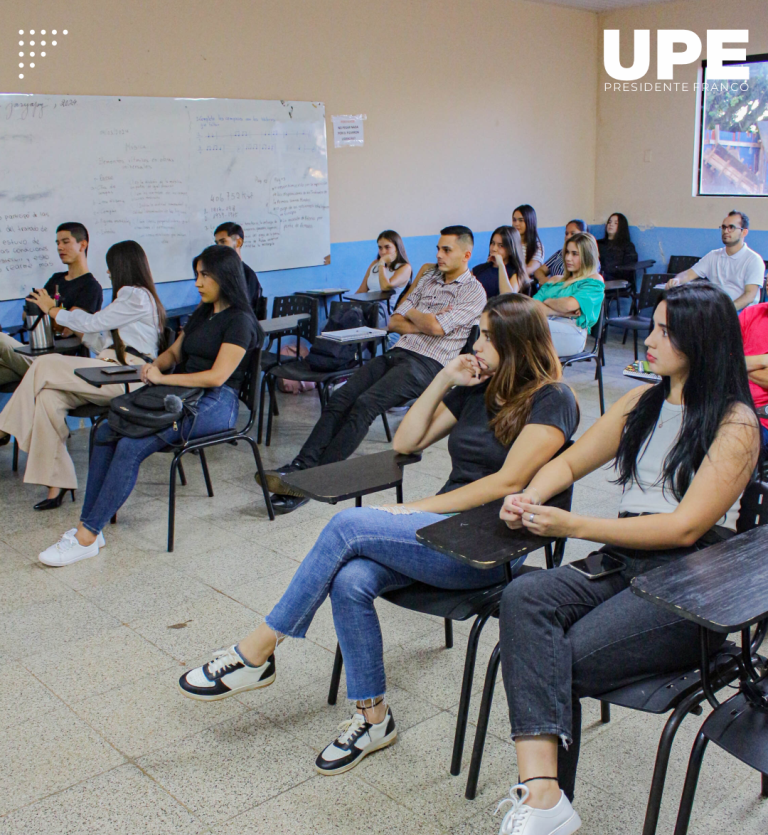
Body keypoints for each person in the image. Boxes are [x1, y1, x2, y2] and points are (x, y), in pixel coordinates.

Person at [179, 294, 579, 776]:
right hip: (441, 532)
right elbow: (405, 442)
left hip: (489, 547)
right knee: (351, 580)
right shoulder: (480, 386)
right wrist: (444, 380)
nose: (477, 343)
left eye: (489, 336)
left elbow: (507, 483)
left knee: (348, 524)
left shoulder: (552, 399)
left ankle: (259, 649)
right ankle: (373, 719)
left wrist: (413, 510)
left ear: (517, 343)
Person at [477, 282, 759, 835]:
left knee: (554, 659)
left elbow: (685, 526)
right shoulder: (643, 402)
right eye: (653, 327)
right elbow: (572, 461)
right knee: (524, 598)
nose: (649, 339)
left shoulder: (737, 424)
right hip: (624, 561)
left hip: (691, 582)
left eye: (663, 331)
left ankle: (544, 816)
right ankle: (545, 801)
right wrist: (535, 492)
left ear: (701, 341)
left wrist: (572, 524)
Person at [38, 245, 262, 566]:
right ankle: (91, 528)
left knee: (131, 445)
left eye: (204, 275)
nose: (197, 282)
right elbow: (173, 354)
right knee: (105, 430)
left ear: (225, 278)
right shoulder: (202, 313)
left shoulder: (240, 321)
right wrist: (151, 368)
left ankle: (86, 534)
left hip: (216, 403)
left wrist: (162, 379)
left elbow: (216, 377)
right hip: (180, 395)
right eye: (196, 274)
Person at [261, 226, 487, 513]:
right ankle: (300, 466)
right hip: (397, 353)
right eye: (438, 249)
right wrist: (423, 318)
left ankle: (314, 482)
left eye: (446, 250)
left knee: (365, 405)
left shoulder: (474, 291)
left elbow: (435, 326)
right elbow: (394, 320)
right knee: (340, 398)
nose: (438, 255)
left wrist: (417, 316)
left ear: (466, 254)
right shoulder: (429, 277)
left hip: (427, 365)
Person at [0, 240, 165, 508]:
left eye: (111, 267)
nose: (109, 273)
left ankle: (4, 427)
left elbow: (95, 322)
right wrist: (80, 327)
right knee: (48, 398)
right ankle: (57, 483)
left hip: (130, 376)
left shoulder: (136, 295)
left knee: (44, 364)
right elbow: (101, 340)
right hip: (110, 369)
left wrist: (54, 311)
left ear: (122, 266)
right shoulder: (129, 299)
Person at [0, 222, 103, 387]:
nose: (60, 247)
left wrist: (47, 311)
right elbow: (28, 313)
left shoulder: (90, 287)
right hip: (36, 354)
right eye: (57, 243)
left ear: (82, 245)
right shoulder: (56, 279)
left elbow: (68, 328)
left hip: (57, 361)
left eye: (65, 242)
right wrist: (50, 314)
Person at [666, 211, 764, 311]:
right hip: (714, 309)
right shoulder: (713, 255)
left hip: (741, 312)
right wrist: (677, 280)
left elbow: (749, 295)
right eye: (724, 227)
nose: (726, 231)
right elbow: (689, 274)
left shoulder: (753, 260)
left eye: (731, 227)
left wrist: (727, 310)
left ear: (744, 232)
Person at [533, 232, 604, 356]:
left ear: (587, 256)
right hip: (544, 323)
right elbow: (531, 307)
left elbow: (569, 305)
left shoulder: (594, 280)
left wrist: (548, 301)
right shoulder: (555, 279)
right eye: (567, 252)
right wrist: (559, 311)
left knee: (526, 328)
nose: (568, 258)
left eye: (574, 254)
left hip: (572, 331)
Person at [214, 222, 262, 314]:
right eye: (217, 243)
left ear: (238, 242)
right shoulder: (219, 273)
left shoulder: (248, 275)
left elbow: (242, 309)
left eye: (223, 242)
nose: (218, 247)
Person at [739, 301, 768, 450]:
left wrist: (736, 366)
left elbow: (728, 363)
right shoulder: (749, 314)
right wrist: (763, 360)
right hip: (730, 404)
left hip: (762, 419)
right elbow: (722, 358)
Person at [472, 226, 529, 298]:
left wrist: (501, 265)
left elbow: (507, 298)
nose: (494, 249)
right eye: (493, 243)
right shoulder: (480, 269)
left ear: (511, 249)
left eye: (501, 245)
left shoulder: (516, 273)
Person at [356, 230, 412, 302]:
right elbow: (361, 291)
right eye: (380, 248)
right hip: (366, 305)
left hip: (383, 308)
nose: (383, 252)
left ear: (397, 248)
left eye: (387, 247)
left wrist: (382, 263)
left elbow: (385, 286)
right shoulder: (374, 264)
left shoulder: (405, 268)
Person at [533, 220, 588, 287]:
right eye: (566, 233)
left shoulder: (586, 257)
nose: (568, 237)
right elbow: (539, 271)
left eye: (572, 233)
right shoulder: (559, 253)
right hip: (549, 290)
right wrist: (545, 281)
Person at [596, 212, 638, 281]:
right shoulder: (598, 244)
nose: (611, 225)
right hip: (598, 278)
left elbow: (628, 269)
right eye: (609, 222)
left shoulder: (627, 246)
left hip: (617, 281)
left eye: (616, 223)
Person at [512, 205, 544, 278]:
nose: (516, 224)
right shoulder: (509, 243)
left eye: (521, 220)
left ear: (530, 222)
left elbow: (530, 269)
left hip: (525, 284)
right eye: (514, 220)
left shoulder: (537, 246)